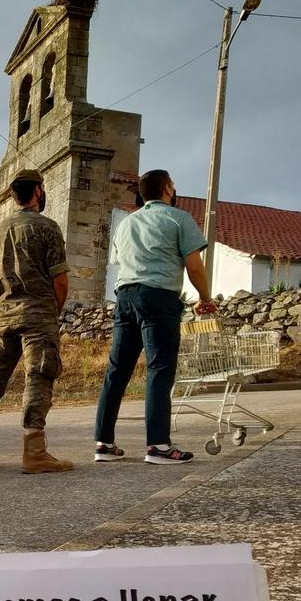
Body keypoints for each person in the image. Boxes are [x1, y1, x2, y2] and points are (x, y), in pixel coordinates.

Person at [94, 169, 217, 464]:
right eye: (173, 185)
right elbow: (195, 266)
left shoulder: (125, 224)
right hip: (159, 297)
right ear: (167, 189)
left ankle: (104, 443)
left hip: (125, 297)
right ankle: (158, 446)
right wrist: (205, 297)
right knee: (160, 369)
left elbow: (118, 262)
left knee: (117, 371)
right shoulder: (179, 218)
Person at [0, 168, 74, 475]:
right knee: (38, 376)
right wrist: (53, 311)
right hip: (37, 314)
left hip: (2, 316)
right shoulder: (47, 227)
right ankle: (34, 451)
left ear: (13, 196)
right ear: (38, 191)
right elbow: (61, 280)